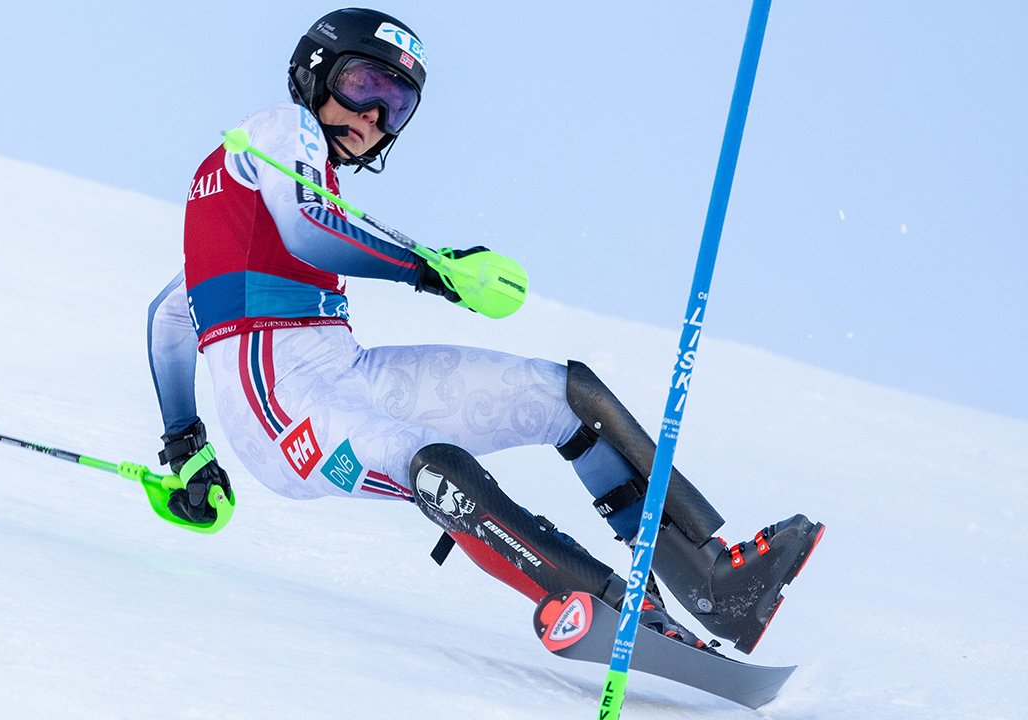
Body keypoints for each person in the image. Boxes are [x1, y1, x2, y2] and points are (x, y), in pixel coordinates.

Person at [147, 7, 823, 654]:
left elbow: (173, 314)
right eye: (362, 86)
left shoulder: (256, 190)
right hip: (283, 415)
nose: (374, 116)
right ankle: (606, 605)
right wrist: (432, 271)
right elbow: (308, 233)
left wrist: (186, 446)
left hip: (348, 374)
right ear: (316, 70)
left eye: (397, 105)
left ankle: (710, 581)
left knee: (567, 398)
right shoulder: (279, 129)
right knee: (438, 469)